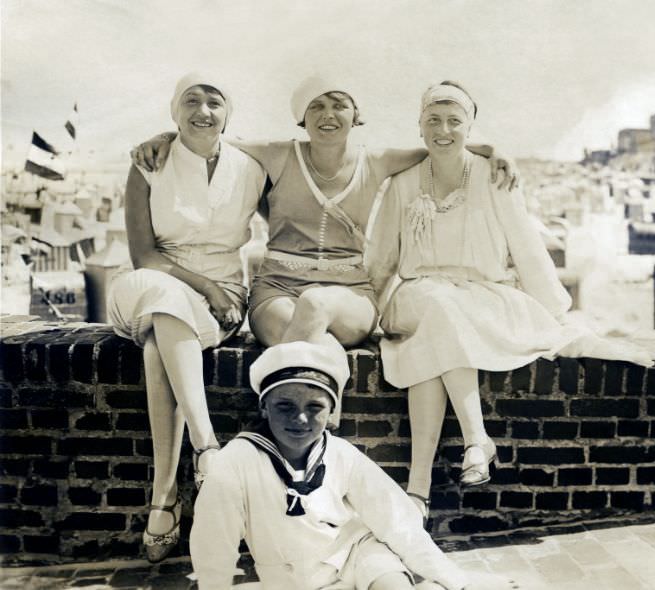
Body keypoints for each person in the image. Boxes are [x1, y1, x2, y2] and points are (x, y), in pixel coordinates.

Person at [132, 76, 519, 358]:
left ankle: (285, 423)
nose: (328, 114)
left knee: (314, 307)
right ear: (302, 116)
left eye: (339, 104)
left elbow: (439, 147)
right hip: (277, 289)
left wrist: (492, 147)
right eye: (316, 106)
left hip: (349, 293)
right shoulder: (279, 154)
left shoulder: (376, 161)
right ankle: (321, 412)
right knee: (309, 335)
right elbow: (206, 136)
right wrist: (163, 138)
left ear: (355, 115)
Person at [366, 81, 591, 518]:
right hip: (415, 297)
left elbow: (527, 247)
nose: (444, 130)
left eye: (455, 121)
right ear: (419, 126)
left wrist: (555, 312)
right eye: (433, 120)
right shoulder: (402, 184)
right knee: (437, 306)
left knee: (432, 350)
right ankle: (476, 438)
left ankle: (417, 490)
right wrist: (367, 316)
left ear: (471, 127)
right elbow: (381, 261)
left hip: (480, 298)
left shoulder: (495, 177)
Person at [190, 340, 518, 590]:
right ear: (264, 407)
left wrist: (455, 582)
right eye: (285, 406)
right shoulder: (235, 463)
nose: (300, 419)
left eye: (315, 407)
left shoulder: (340, 453)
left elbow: (396, 522)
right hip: (292, 578)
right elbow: (213, 548)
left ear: (331, 411)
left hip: (357, 554)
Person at [107, 73, 266, 562]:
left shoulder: (252, 167)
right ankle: (207, 445)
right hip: (154, 282)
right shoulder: (148, 164)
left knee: (161, 345)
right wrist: (207, 286)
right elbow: (144, 255)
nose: (203, 111)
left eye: (214, 102)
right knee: (162, 298)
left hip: (218, 299)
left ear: (228, 113)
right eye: (190, 101)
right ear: (174, 112)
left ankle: (164, 496)